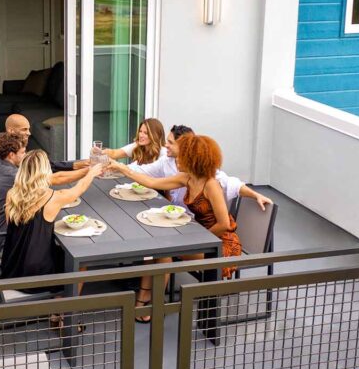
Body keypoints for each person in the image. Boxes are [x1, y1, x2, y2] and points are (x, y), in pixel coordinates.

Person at [107, 134, 242, 323]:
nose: (176, 160)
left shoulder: (211, 185)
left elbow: (224, 225)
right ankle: (143, 299)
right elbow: (151, 182)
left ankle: (155, 306)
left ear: (193, 160)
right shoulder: (187, 178)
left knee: (163, 254)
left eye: (181, 157)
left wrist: (197, 241)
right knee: (157, 250)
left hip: (220, 244)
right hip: (198, 234)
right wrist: (121, 167)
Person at [1, 152, 103, 310]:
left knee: (57, 252)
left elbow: (15, 231)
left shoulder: (11, 194)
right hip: (35, 274)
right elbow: (79, 189)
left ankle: (58, 304)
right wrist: (92, 173)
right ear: (44, 172)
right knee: (79, 262)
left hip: (12, 267)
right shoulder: (52, 198)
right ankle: (63, 313)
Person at [0, 132, 89, 256]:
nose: (25, 155)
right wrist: (89, 172)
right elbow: (57, 178)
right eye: (23, 152)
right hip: (2, 243)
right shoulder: (16, 176)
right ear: (11, 155)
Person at [129, 124, 271, 210]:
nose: (166, 145)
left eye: (170, 143)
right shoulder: (168, 163)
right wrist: (120, 167)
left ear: (184, 147)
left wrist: (256, 195)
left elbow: (233, 184)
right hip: (176, 219)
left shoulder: (207, 178)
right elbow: (147, 176)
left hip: (198, 230)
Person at [0, 114, 77, 171]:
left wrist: (75, 165)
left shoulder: (18, 144)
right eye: (24, 129)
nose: (29, 133)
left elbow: (46, 165)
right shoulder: (2, 152)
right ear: (11, 131)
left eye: (28, 129)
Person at [97, 118, 167, 166]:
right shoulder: (137, 146)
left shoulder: (163, 153)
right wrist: (100, 152)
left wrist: (120, 167)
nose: (141, 135)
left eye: (146, 133)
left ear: (155, 135)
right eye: (140, 131)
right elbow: (114, 153)